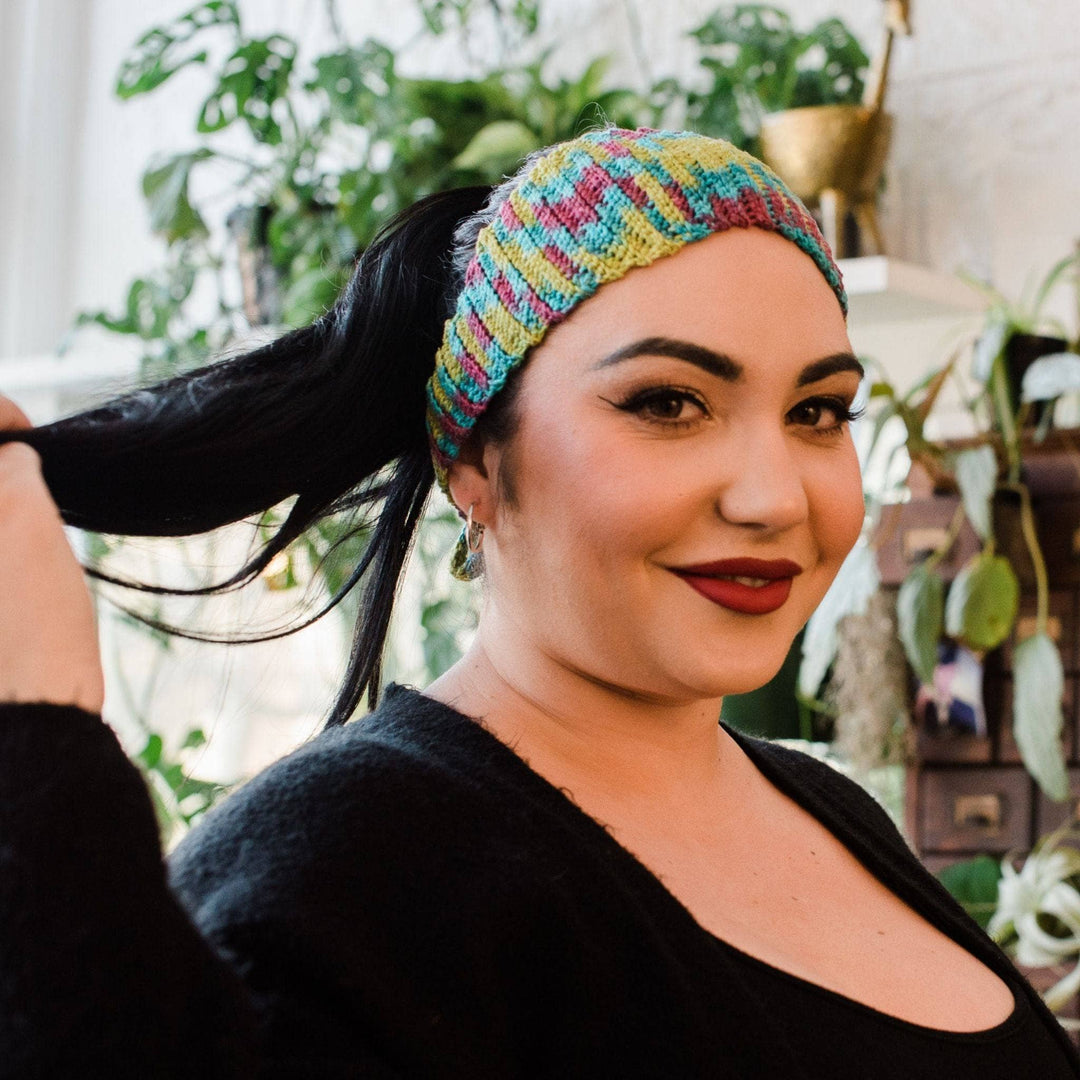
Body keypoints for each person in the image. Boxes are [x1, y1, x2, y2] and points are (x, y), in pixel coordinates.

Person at [0, 125, 1076, 1078]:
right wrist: (35, 743)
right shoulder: (352, 865)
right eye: (667, 402)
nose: (774, 497)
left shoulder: (825, 806)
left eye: (817, 410)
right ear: (471, 460)